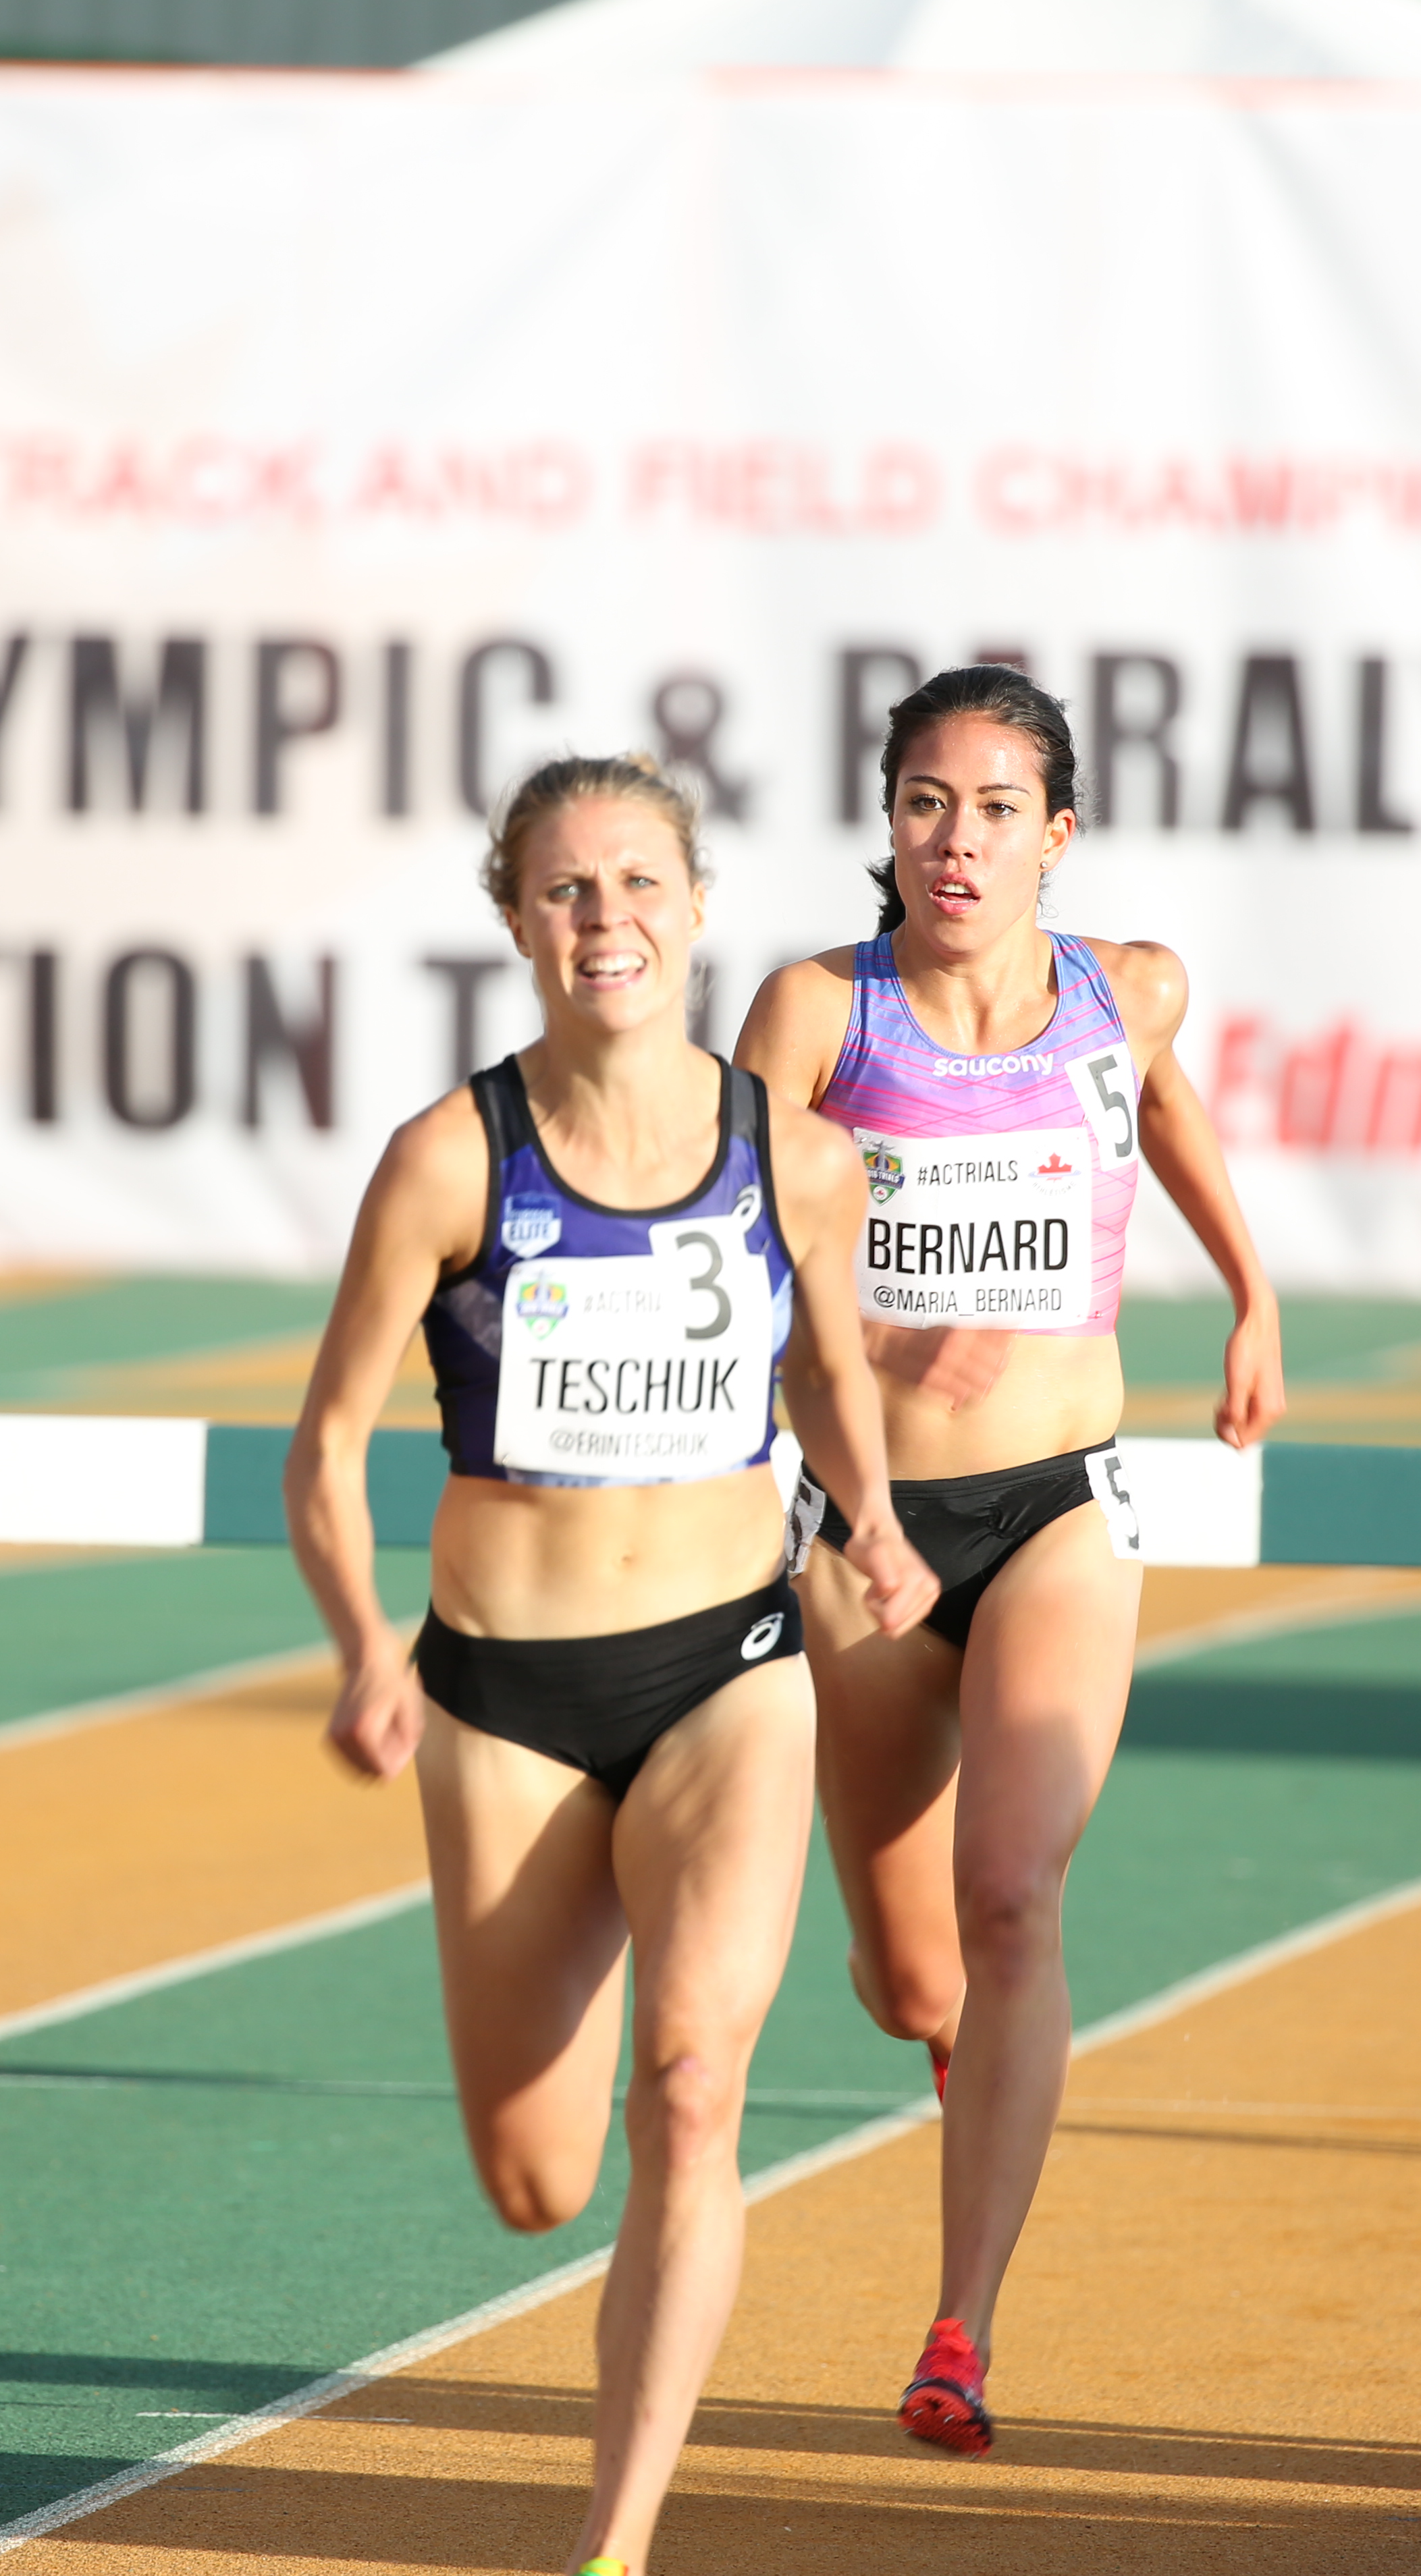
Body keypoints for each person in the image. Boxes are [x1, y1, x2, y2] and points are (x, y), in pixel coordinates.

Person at [289, 755, 934, 2575]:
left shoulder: (795, 1154)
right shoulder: (448, 1159)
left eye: (641, 884)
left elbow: (826, 1373)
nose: (608, 923)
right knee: (536, 2178)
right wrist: (362, 1652)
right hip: (502, 1703)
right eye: (569, 891)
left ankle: (615, 2541)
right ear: (515, 921)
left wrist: (870, 1519)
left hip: (729, 1671)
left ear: (699, 905)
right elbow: (326, 1444)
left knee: (697, 2082)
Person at [733, 665, 1287, 2459]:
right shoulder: (820, 1016)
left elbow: (1171, 1109)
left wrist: (1253, 1291)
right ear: (885, 821)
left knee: (1013, 1899)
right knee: (910, 1978)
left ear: (1058, 833)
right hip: (867, 1542)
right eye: (921, 804)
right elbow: (729, 1265)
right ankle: (950, 2053)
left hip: (1057, 1503)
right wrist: (855, 1422)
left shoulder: (1121, 995)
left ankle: (961, 2329)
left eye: (991, 810)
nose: (953, 843)